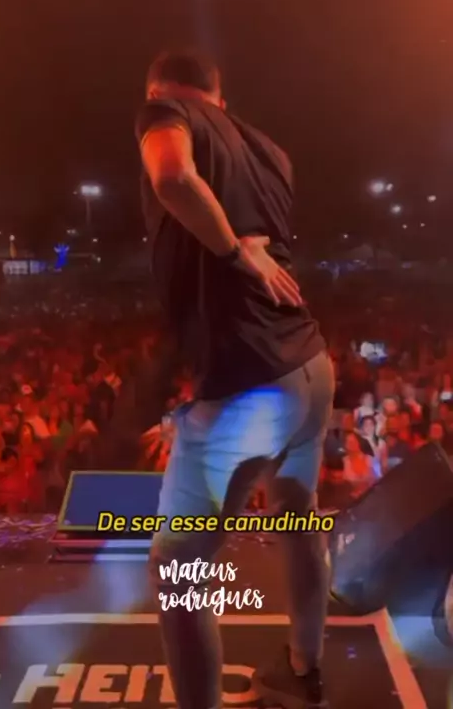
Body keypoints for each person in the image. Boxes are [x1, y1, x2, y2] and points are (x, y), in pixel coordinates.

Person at [135, 49, 334, 709]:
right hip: (310, 366)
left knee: (180, 572)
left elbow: (172, 176)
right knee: (298, 516)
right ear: (222, 100)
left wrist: (231, 252)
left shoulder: (166, 112)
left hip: (250, 386)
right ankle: (303, 668)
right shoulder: (273, 152)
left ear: (162, 93)